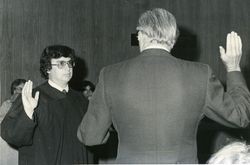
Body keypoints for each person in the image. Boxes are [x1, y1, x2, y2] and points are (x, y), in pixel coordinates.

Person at [77, 8, 250, 164]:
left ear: (140, 35)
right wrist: (233, 67)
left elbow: (90, 136)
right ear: (173, 39)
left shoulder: (110, 75)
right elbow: (240, 116)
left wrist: (117, 122)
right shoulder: (200, 74)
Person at [1, 45, 94, 165]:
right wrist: (28, 113)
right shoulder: (32, 96)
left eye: (70, 63)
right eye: (61, 63)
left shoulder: (81, 100)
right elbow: (10, 135)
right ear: (48, 68)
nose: (68, 68)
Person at [0, 78, 26, 165]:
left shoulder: (28, 105)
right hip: (7, 142)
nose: (19, 92)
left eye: (22, 89)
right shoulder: (6, 104)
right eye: (17, 89)